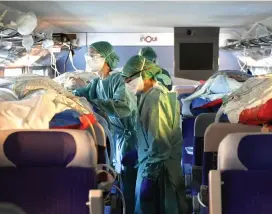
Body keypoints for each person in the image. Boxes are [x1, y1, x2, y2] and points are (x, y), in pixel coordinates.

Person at [73, 41, 137, 214]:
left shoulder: (117, 80)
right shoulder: (97, 82)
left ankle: (130, 210)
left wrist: (95, 102)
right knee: (119, 174)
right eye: (88, 54)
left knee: (129, 177)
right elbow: (84, 93)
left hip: (129, 136)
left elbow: (122, 107)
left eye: (93, 55)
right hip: (116, 134)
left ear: (106, 58)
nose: (88, 58)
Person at [121, 55, 188, 214]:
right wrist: (140, 153)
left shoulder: (155, 98)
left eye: (129, 79)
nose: (127, 83)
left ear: (143, 75)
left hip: (160, 171)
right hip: (154, 164)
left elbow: (160, 141)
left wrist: (149, 178)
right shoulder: (148, 95)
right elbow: (150, 133)